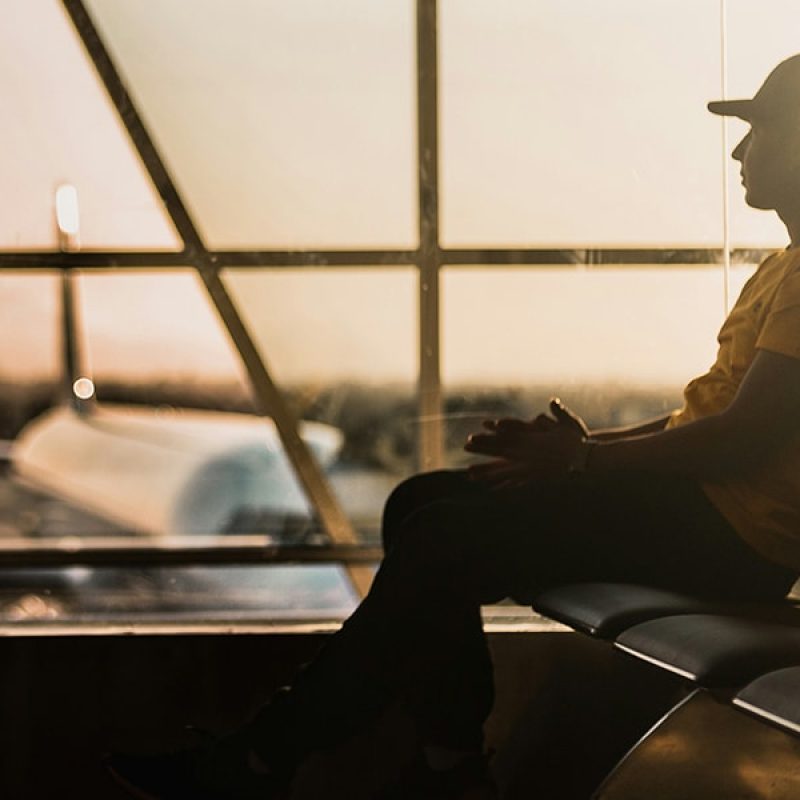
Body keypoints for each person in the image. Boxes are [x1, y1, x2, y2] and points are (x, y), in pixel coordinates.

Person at [108, 54, 800, 800]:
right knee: (417, 503)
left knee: (442, 538)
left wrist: (581, 464)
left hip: (732, 537)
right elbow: (712, 417)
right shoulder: (780, 268)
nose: (737, 153)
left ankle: (268, 759)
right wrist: (579, 452)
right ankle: (445, 766)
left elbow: (742, 438)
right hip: (701, 512)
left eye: (755, 133)